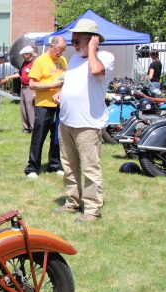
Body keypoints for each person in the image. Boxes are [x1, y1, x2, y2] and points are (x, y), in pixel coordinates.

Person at [53, 19, 114, 223]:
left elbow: (96, 71)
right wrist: (62, 94)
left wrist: (93, 49)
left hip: (88, 124)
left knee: (90, 168)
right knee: (69, 166)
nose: (74, 44)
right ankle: (72, 201)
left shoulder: (104, 57)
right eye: (73, 41)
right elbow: (72, 83)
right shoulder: (74, 59)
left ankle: (92, 208)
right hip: (67, 121)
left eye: (77, 40)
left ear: (92, 39)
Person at [23, 36, 67, 179]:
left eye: (63, 50)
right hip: (43, 105)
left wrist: (60, 91)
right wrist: (51, 86)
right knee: (39, 136)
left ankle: (54, 165)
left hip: (59, 105)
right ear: (51, 46)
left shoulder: (63, 61)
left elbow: (65, 81)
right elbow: (32, 84)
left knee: (57, 136)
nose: (60, 53)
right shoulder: (40, 61)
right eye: (59, 50)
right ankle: (32, 167)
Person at [17, 46, 37, 133]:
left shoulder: (35, 62)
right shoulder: (25, 62)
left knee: (30, 108)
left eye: (23, 54)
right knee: (24, 108)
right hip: (23, 87)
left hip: (30, 88)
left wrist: (35, 91)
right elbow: (20, 73)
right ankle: (26, 127)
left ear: (29, 54)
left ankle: (33, 127)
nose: (22, 56)